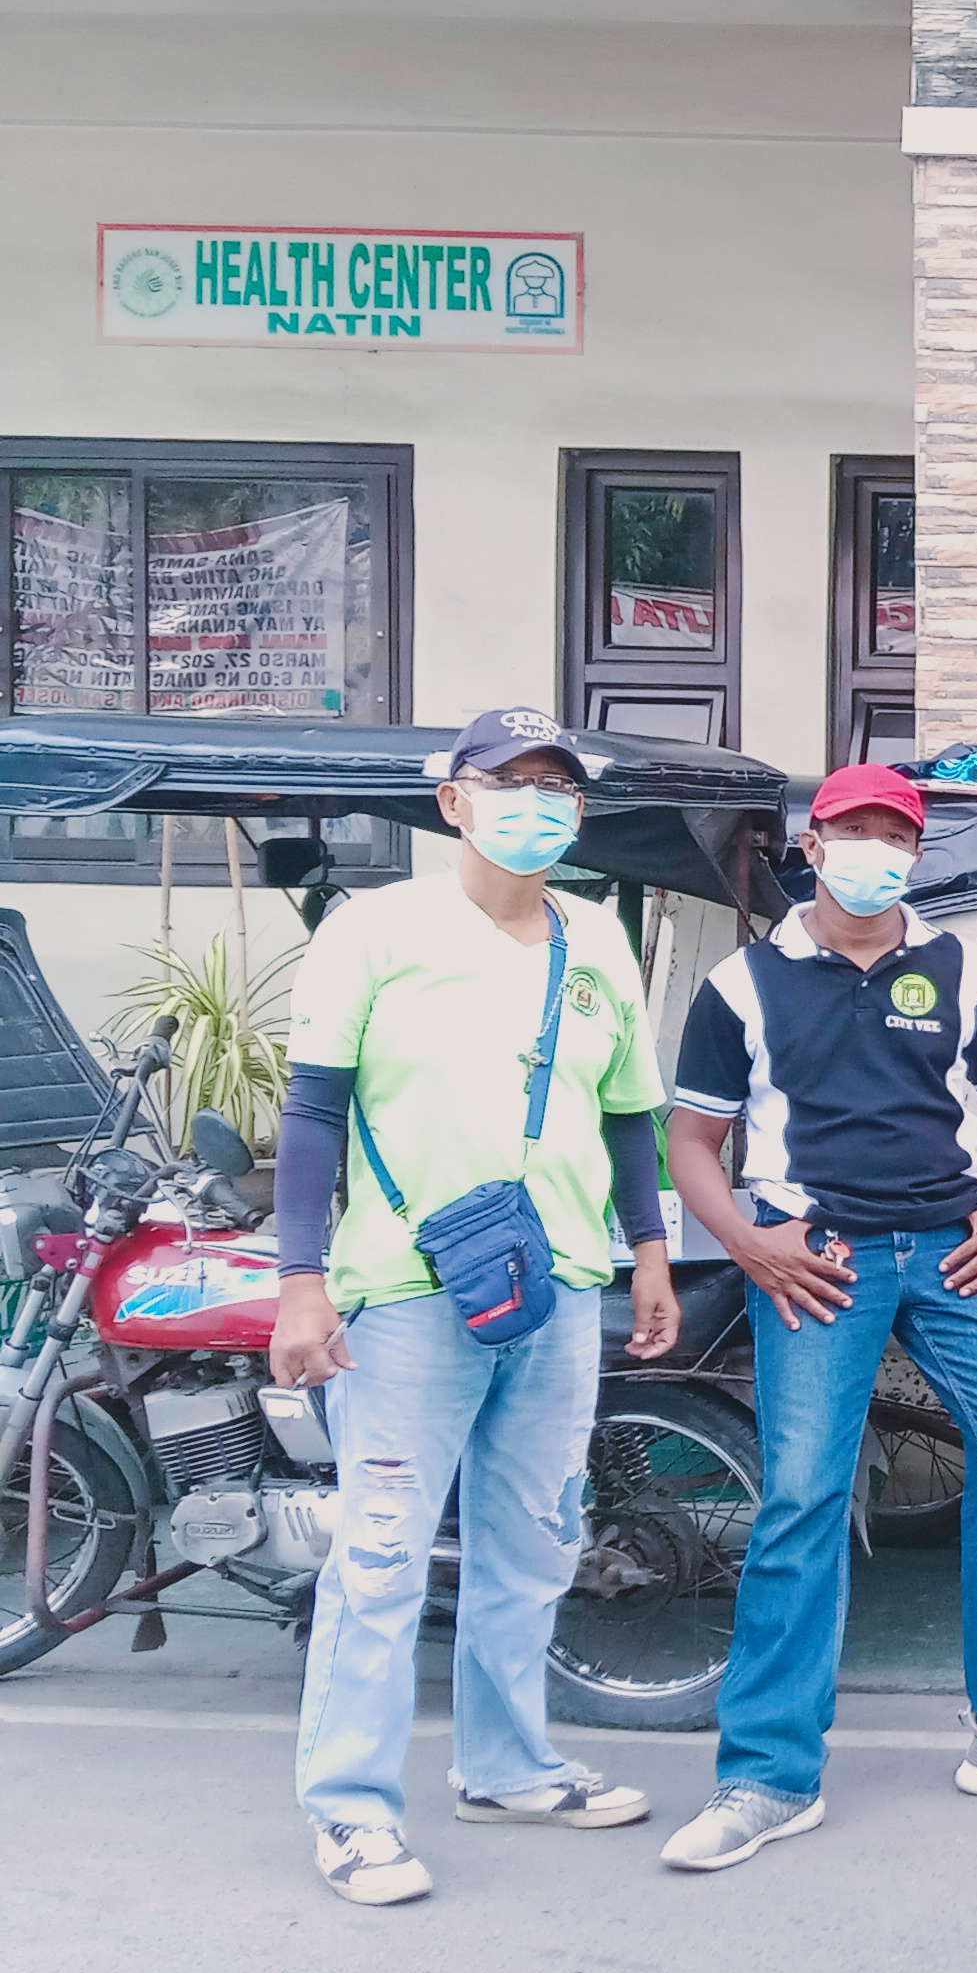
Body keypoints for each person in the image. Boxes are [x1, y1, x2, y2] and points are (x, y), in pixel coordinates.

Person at [658, 764, 977, 1871]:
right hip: (816, 1258)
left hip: (950, 1253)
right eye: (852, 831)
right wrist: (748, 1240)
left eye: (895, 835)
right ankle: (767, 1778)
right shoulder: (744, 986)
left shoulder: (961, 968)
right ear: (815, 843)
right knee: (802, 1500)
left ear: (914, 852)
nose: (873, 850)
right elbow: (692, 1143)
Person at [270, 706, 682, 1908]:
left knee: (535, 1544)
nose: (535, 803)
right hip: (405, 1288)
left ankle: (507, 1764)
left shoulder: (597, 937)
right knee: (384, 1554)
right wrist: (304, 1281)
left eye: (558, 785)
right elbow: (309, 1113)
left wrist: (647, 1250)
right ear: (452, 799)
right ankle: (349, 1810)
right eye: (508, 781)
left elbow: (627, 1117)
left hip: (558, 1282)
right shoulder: (375, 928)